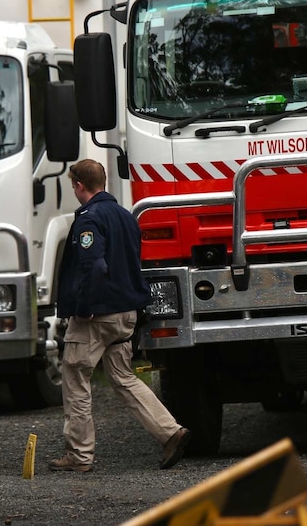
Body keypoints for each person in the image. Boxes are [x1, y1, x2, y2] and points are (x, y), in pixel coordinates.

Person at [49, 159, 191, 472]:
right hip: (127, 313)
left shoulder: (89, 218)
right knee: (124, 377)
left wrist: (84, 306)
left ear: (79, 186)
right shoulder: (126, 216)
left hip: (97, 314)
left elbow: (95, 266)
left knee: (75, 375)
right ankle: (170, 432)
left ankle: (79, 455)